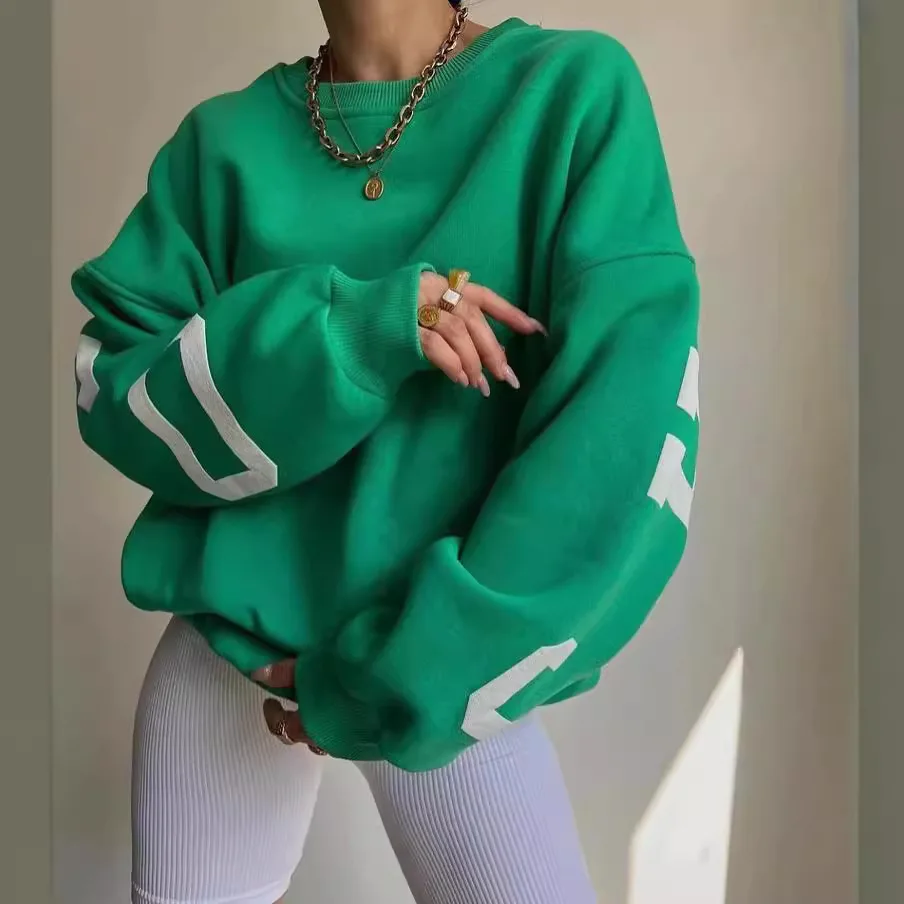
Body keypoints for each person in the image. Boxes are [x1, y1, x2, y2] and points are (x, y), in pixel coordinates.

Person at [71, 0, 700, 901]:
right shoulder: (221, 146)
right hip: (231, 664)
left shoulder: (570, 95)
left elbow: (614, 449)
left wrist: (405, 675)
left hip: (446, 674)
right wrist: (352, 331)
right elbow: (118, 393)